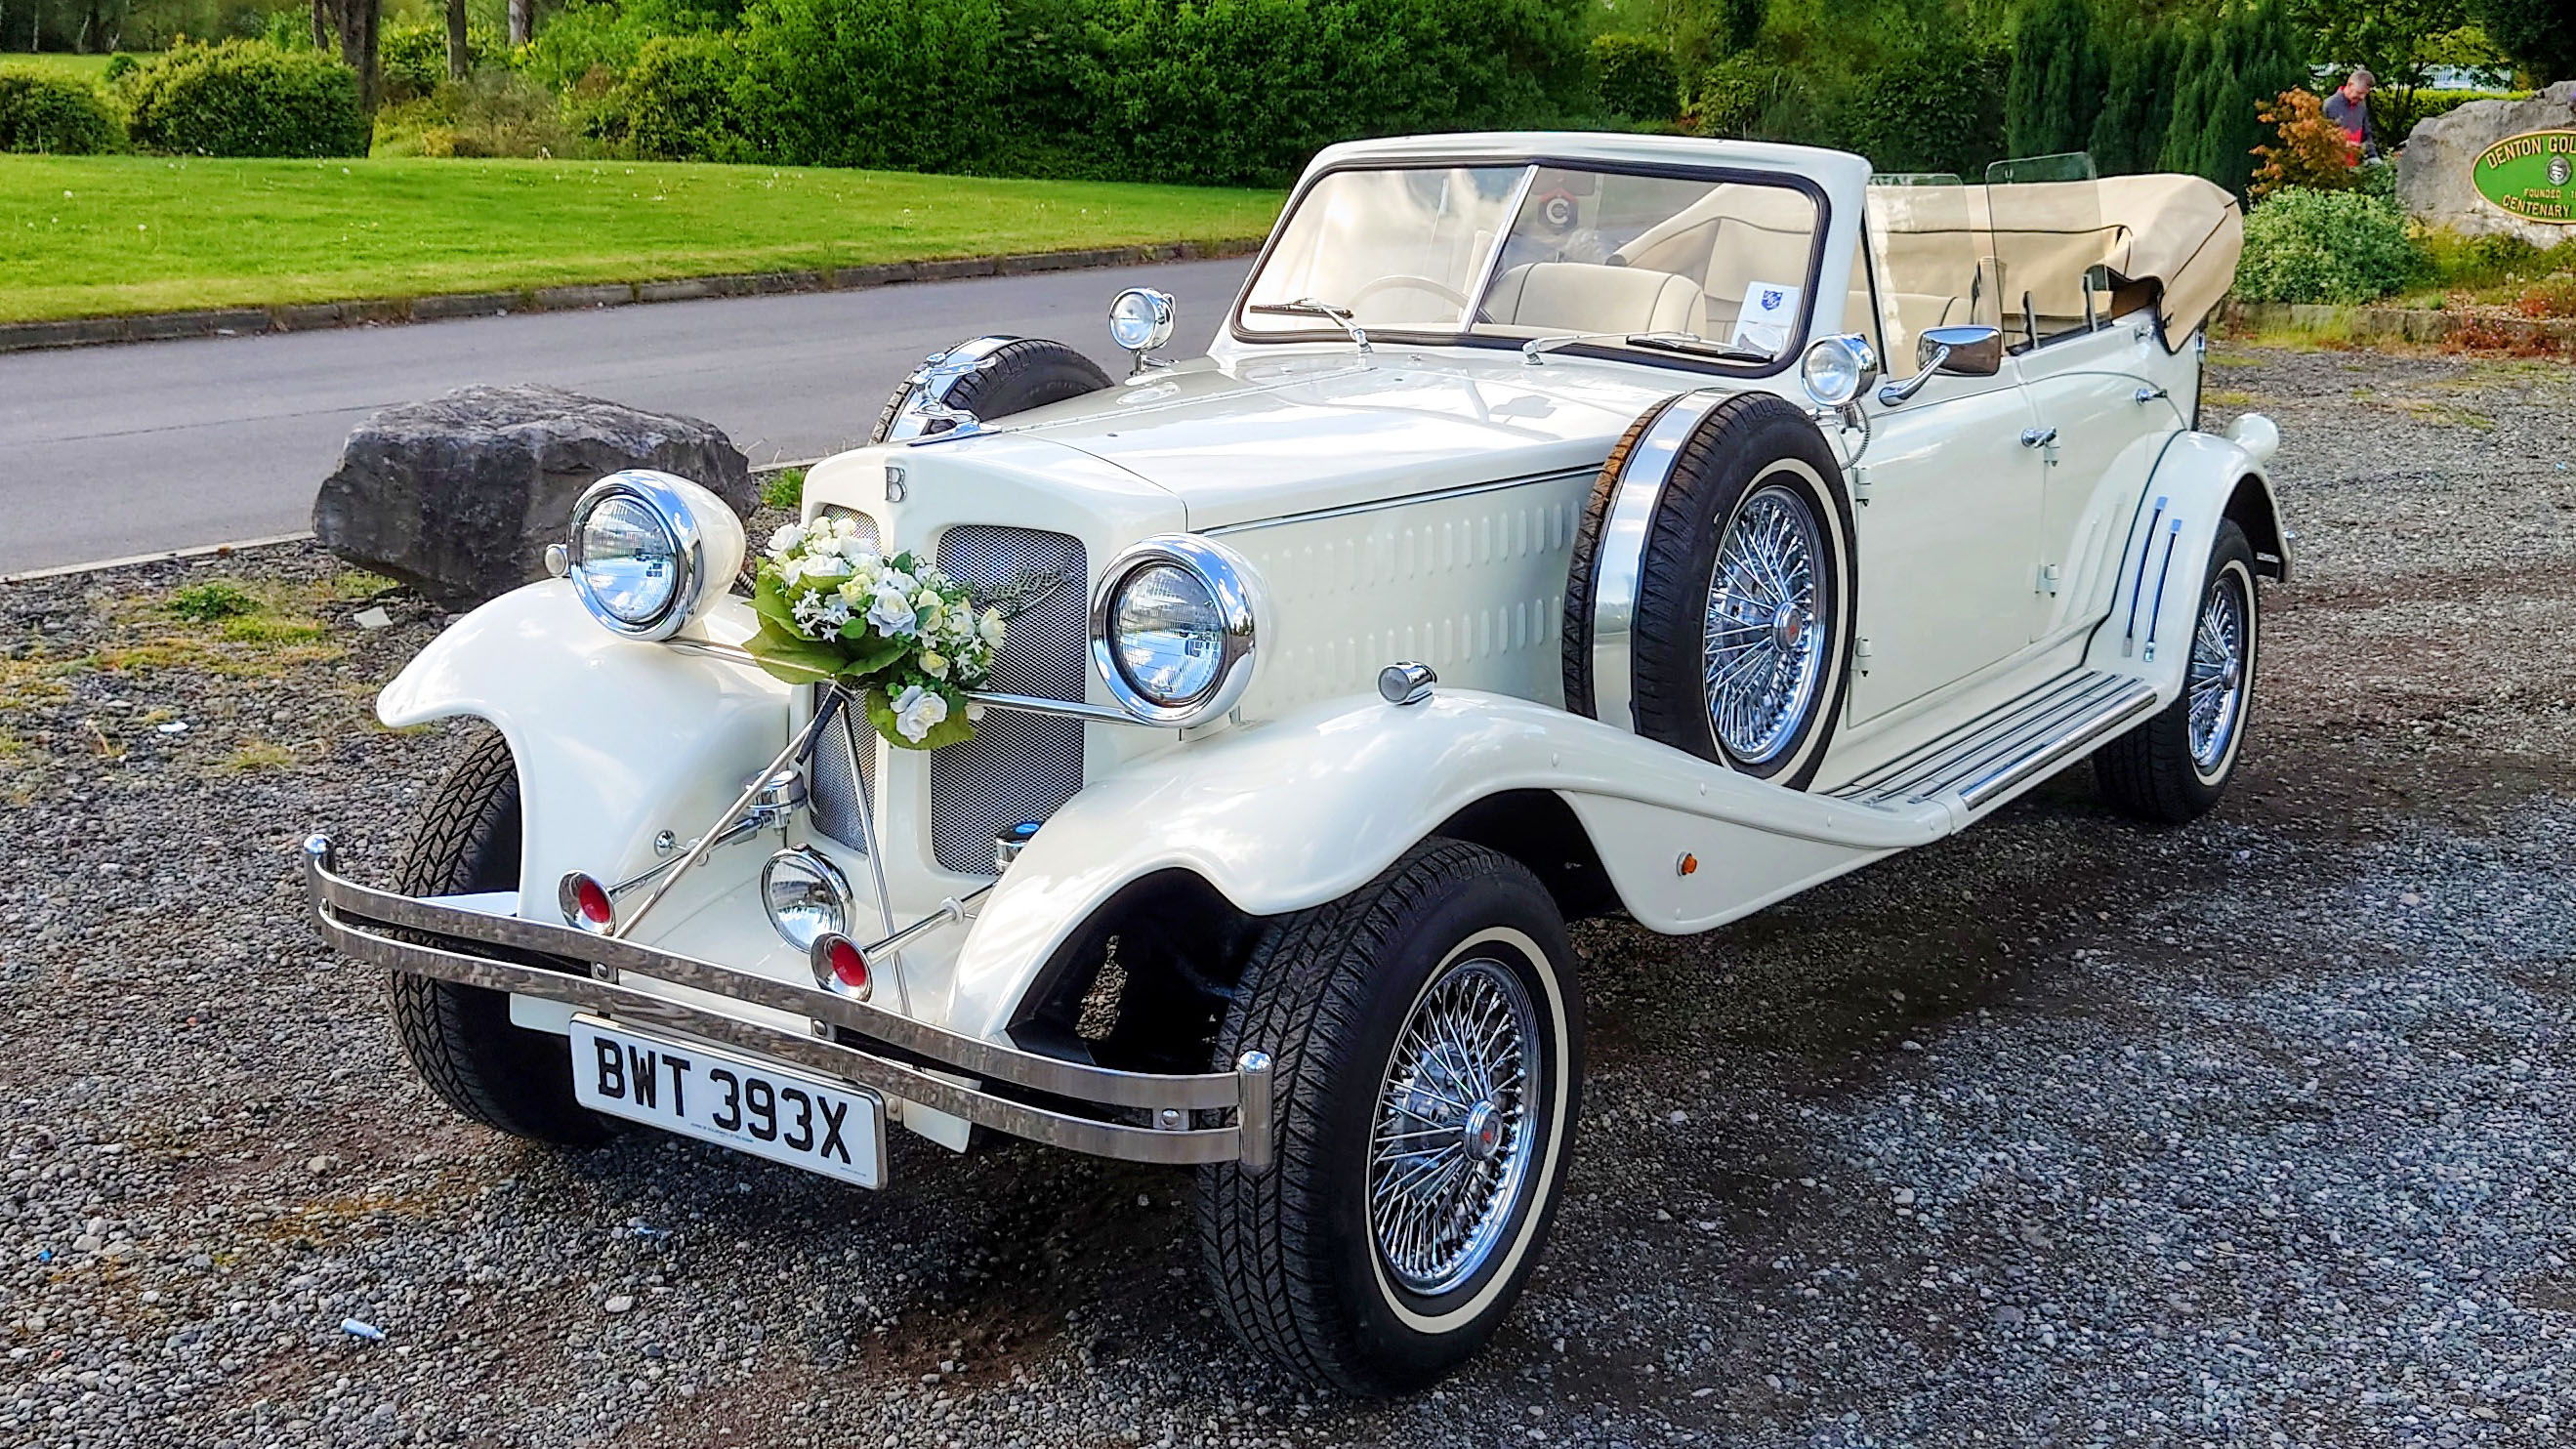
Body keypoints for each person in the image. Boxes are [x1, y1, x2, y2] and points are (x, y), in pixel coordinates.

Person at [2322, 69, 2376, 163]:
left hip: (2356, 166)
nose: (2362, 97)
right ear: (2350, 85)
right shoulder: (2329, 105)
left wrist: (2373, 156)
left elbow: (2366, 134)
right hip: (2334, 166)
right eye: (2359, 93)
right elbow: (2322, 137)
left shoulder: (2361, 106)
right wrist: (2344, 145)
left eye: (2365, 94)